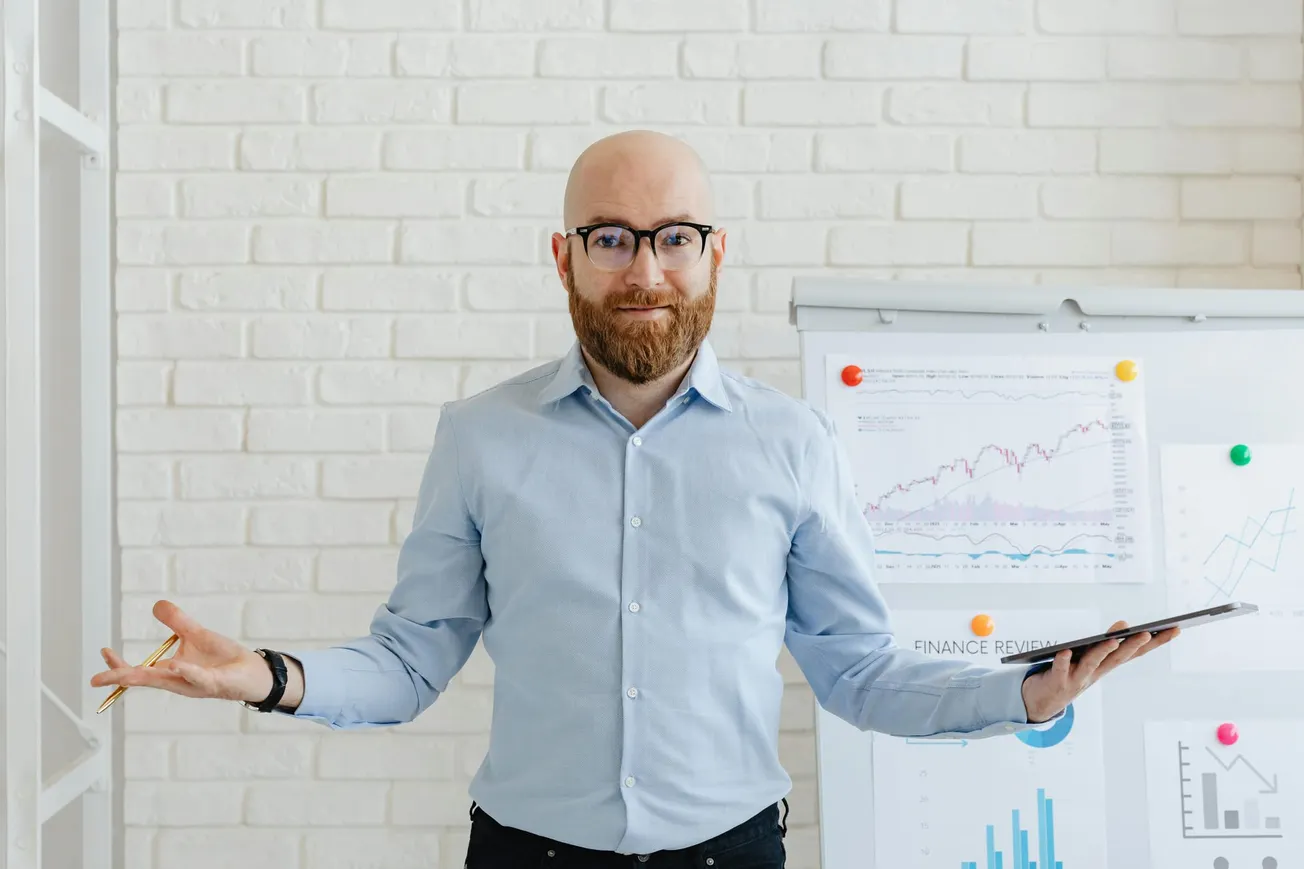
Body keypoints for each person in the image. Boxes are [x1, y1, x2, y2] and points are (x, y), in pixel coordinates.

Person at [92, 129, 1178, 868]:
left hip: (730, 852)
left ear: (714, 255)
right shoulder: (479, 436)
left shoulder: (793, 443)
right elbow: (411, 660)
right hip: (525, 852)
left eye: (673, 238)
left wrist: (1022, 695)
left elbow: (856, 671)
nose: (644, 270)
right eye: (610, 238)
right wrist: (267, 676)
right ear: (563, 257)